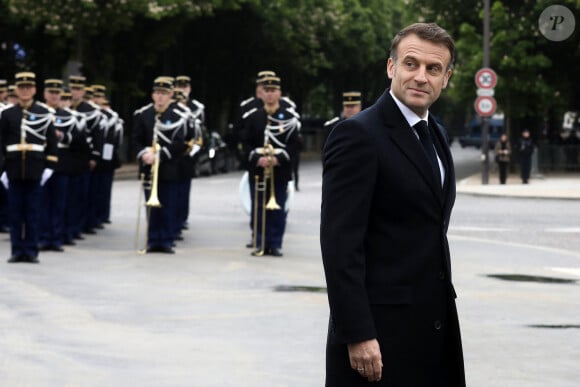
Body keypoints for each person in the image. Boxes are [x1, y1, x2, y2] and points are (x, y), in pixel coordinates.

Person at [321, 23, 465, 386]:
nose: (421, 77)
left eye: (433, 69)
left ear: (446, 78)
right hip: (377, 337)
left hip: (433, 328)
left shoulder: (436, 133)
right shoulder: (357, 135)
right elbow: (340, 245)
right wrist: (357, 333)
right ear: (391, 67)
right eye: (411, 64)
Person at [0, 72, 58, 263]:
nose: (24, 91)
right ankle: (17, 250)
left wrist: (49, 167)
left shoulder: (44, 113)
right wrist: (2, 171)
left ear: (34, 90)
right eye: (21, 88)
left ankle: (32, 250)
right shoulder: (7, 114)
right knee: (15, 213)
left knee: (33, 213)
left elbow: (51, 142)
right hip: (13, 170)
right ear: (16, 90)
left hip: (35, 169)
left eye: (28, 88)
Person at [242, 75, 300, 257]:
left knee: (277, 209)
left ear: (279, 93)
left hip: (280, 170)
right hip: (258, 169)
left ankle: (275, 244)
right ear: (262, 93)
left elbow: (295, 145)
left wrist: (278, 158)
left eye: (273, 91)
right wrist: (256, 158)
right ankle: (259, 242)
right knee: (258, 208)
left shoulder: (290, 118)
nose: (269, 94)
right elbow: (245, 144)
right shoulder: (253, 117)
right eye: (266, 91)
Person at [133, 76, 188, 253]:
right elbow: (136, 140)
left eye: (164, 93)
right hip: (149, 166)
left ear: (171, 95)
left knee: (168, 204)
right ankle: (153, 239)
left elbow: (180, 143)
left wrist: (160, 155)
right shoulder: (143, 115)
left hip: (169, 167)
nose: (160, 97)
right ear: (152, 95)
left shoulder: (177, 116)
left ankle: (166, 239)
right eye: (157, 93)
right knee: (151, 206)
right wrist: (144, 154)